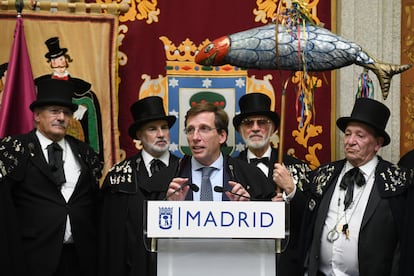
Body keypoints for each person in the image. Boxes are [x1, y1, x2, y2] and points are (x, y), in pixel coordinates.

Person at [294, 97, 410, 276]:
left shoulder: (397, 182)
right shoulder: (325, 173)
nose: (350, 141)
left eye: (360, 135)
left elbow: (404, 245)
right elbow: (305, 222)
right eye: (348, 134)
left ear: (377, 144)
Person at [0, 79, 103, 276]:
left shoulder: (84, 152)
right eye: (54, 111)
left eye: (66, 112)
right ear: (37, 115)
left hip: (80, 258)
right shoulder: (14, 149)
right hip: (32, 258)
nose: (61, 117)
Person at [98, 96, 180, 276]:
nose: (161, 134)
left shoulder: (185, 172)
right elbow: (109, 238)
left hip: (175, 264)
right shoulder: (118, 177)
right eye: (152, 129)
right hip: (132, 267)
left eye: (164, 128)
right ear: (139, 135)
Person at [233, 92, 311, 276]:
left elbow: (311, 218)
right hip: (242, 262)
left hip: (286, 264)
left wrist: (291, 191)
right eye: (248, 123)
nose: (255, 128)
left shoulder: (296, 167)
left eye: (262, 122)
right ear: (239, 130)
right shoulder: (228, 169)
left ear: (274, 128)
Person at [149, 101, 275, 201]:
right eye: (190, 130)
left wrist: (248, 209)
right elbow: (149, 228)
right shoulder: (165, 178)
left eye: (204, 129)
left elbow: (267, 227)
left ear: (222, 136)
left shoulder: (251, 175)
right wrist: (170, 207)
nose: (195, 137)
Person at [35, 37, 104, 159]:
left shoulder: (81, 88)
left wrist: (84, 108)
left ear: (66, 60)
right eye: (55, 61)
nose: (59, 64)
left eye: (61, 59)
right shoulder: (42, 85)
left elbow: (89, 103)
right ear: (51, 63)